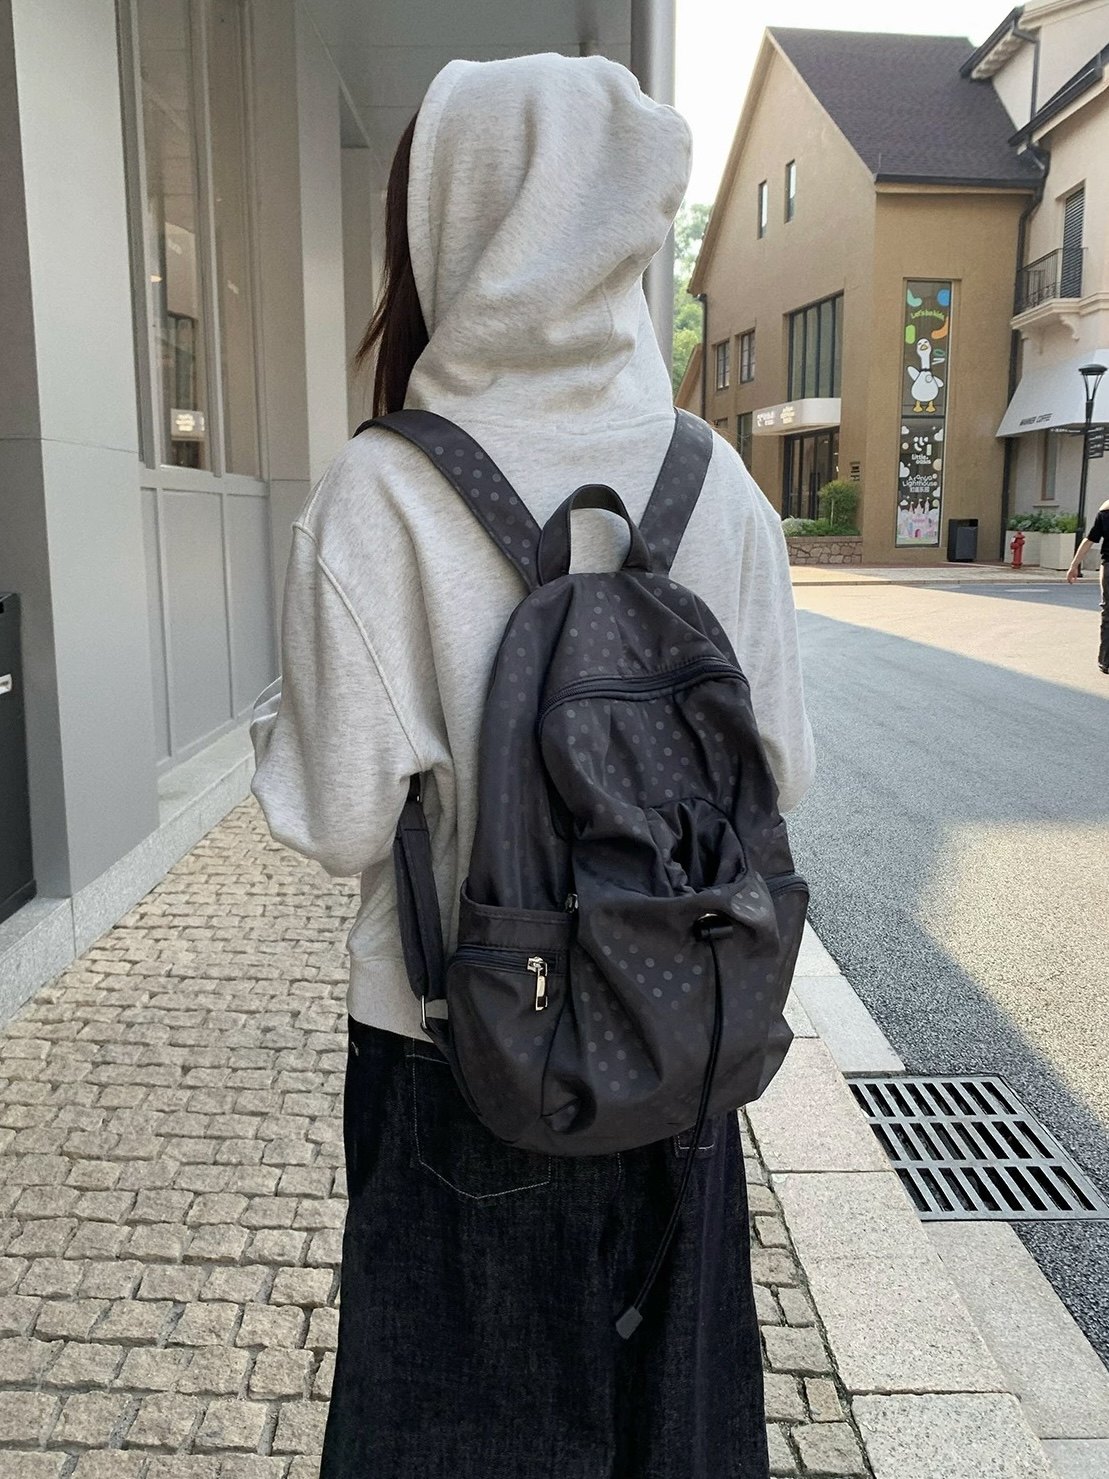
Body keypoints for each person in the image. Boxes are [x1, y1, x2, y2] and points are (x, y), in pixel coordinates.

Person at [250, 52, 815, 1479]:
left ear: (448, 217)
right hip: (677, 1035)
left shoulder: (381, 490)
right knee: (668, 1437)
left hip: (459, 1054)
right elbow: (780, 780)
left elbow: (334, 818)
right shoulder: (717, 485)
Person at [1066, 497, 1109, 673]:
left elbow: (1090, 540)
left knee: (1108, 613)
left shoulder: (1105, 511)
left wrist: (1074, 565)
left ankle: (1106, 660)